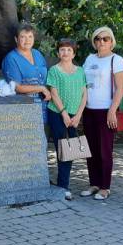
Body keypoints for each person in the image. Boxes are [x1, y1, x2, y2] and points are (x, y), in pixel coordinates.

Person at [80, 26, 123, 201]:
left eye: (105, 39)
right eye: (98, 39)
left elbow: (121, 88)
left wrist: (112, 110)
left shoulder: (117, 60)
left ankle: (105, 187)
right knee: (90, 150)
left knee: (105, 150)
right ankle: (94, 183)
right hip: (89, 110)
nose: (101, 42)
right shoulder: (89, 58)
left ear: (111, 41)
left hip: (105, 110)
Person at [46, 38, 87, 201]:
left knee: (72, 149)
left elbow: (85, 94)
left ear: (73, 53)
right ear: (58, 53)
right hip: (57, 114)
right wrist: (64, 114)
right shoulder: (54, 70)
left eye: (69, 50)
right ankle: (63, 187)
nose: (65, 52)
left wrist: (78, 116)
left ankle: (63, 183)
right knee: (62, 149)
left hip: (74, 116)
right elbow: (54, 93)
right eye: (62, 50)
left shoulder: (80, 71)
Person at [1, 22, 50, 125]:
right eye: (23, 37)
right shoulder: (11, 59)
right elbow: (17, 87)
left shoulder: (37, 54)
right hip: (24, 109)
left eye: (30, 36)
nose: (27, 40)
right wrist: (41, 88)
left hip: (44, 107)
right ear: (16, 39)